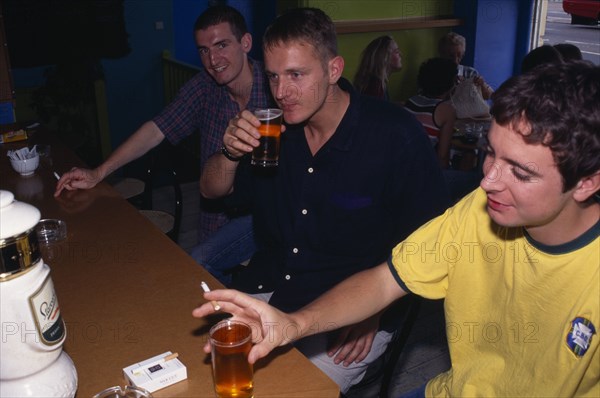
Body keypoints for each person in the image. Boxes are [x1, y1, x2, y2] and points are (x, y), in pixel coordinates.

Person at [194, 61, 600, 397]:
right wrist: (294, 323)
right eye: (491, 153)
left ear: (587, 181)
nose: (488, 180)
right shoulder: (477, 212)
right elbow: (386, 280)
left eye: (521, 172)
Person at [198, 7, 450, 394]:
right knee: (201, 367)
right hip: (269, 284)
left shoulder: (394, 136)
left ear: (333, 70)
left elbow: (429, 245)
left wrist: (374, 313)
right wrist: (230, 152)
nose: (282, 92)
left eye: (297, 74)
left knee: (287, 390)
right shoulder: (271, 133)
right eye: (273, 76)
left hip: (351, 309)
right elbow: (210, 191)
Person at [54, 5, 273, 284]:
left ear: (246, 43)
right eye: (204, 50)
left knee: (210, 265)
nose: (212, 59)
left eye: (221, 45)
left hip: (267, 213)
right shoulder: (205, 86)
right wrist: (99, 172)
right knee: (199, 274)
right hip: (216, 213)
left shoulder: (274, 90)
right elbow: (156, 129)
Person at [404, 57, 458, 169]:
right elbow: (442, 158)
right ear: (450, 83)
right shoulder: (446, 110)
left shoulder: (411, 101)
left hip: (402, 167)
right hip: (421, 172)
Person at [438, 32, 493, 99]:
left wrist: (482, 84)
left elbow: (487, 96)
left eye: (459, 55)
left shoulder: (470, 72)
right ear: (442, 55)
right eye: (451, 56)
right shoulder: (434, 72)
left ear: (463, 55)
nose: (455, 60)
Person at [353, 35, 402, 100]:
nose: (401, 54)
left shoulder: (375, 83)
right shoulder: (376, 88)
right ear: (384, 58)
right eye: (396, 52)